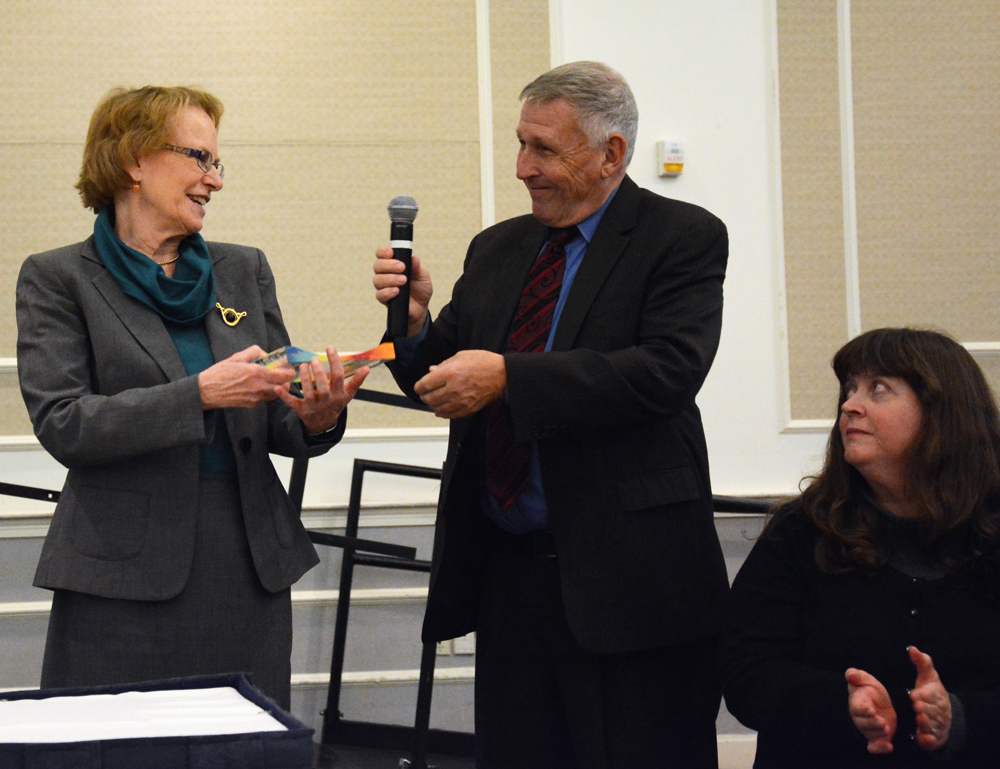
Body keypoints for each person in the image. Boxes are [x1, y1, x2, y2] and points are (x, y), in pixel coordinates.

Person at [373, 61, 730, 768]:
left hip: (632, 584)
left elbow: (666, 371)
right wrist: (409, 326)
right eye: (520, 144)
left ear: (611, 155)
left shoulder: (681, 237)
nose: (521, 168)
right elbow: (435, 377)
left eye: (543, 149)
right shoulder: (500, 248)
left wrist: (509, 376)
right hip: (512, 581)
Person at [15, 86, 368, 710]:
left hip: (247, 559)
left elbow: (279, 417)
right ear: (133, 161)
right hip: (119, 573)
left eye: (216, 162)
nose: (215, 180)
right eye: (199, 158)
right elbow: (65, 424)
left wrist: (317, 415)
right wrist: (199, 395)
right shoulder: (58, 277)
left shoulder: (243, 269)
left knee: (243, 746)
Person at [723, 328, 1000, 768]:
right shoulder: (802, 530)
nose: (850, 405)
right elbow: (744, 669)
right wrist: (844, 704)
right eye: (849, 388)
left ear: (942, 413)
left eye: (879, 389)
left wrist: (960, 718)